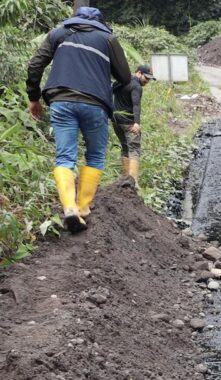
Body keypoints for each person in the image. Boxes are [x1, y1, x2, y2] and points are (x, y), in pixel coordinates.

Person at [25, 6, 131, 234]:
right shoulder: (108, 39)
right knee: (94, 155)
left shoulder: (58, 33)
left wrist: (34, 98)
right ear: (99, 22)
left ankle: (69, 208)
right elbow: (125, 77)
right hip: (95, 104)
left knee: (64, 156)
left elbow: (34, 64)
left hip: (61, 101)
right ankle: (82, 209)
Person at [112, 64, 155, 188]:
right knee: (134, 149)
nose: (147, 81)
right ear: (139, 73)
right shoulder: (136, 86)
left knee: (125, 148)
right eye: (146, 78)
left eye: (149, 79)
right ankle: (133, 183)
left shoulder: (122, 81)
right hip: (129, 123)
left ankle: (125, 178)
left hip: (116, 120)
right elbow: (136, 105)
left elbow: (111, 89)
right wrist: (137, 122)